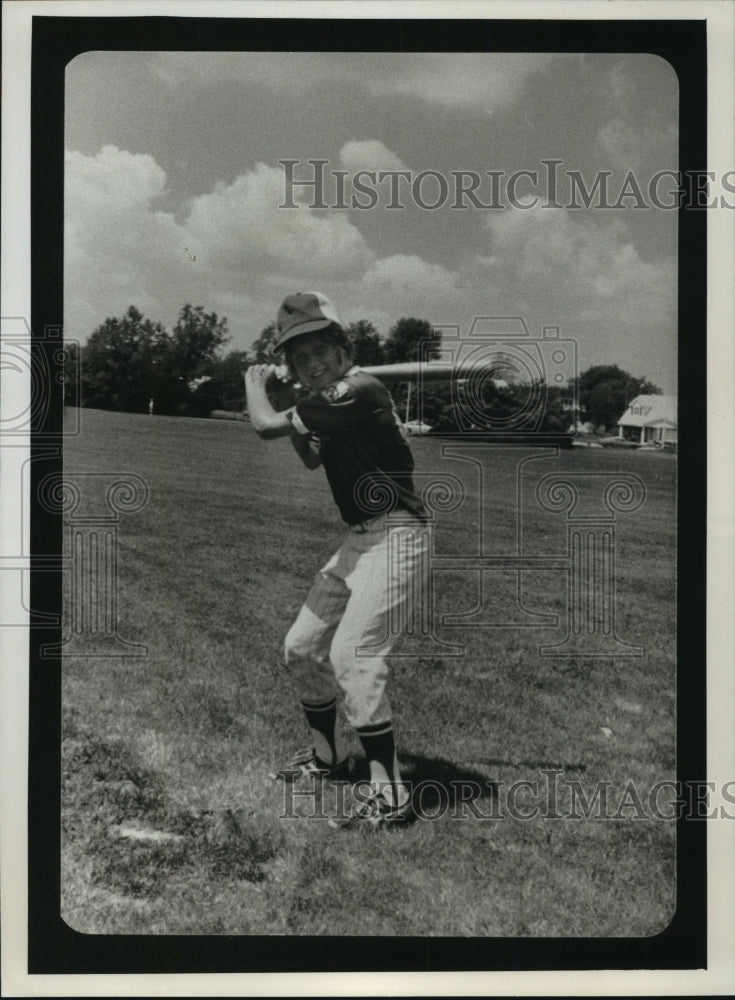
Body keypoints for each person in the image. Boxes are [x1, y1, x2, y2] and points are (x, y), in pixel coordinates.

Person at [244, 291, 430, 829]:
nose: (311, 362)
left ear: (343, 348)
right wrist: (295, 401)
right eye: (299, 357)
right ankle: (328, 760)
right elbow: (309, 456)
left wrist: (256, 386)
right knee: (302, 648)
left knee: (354, 655)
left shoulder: (357, 389)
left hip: (398, 534)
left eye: (320, 350)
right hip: (360, 539)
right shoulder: (330, 400)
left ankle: (390, 795)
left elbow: (264, 426)